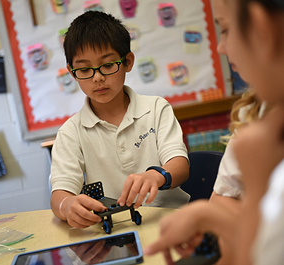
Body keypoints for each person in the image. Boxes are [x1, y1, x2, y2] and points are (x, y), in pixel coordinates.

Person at [144, 0, 284, 264]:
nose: (220, 47)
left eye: (226, 30)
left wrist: (253, 192)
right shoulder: (256, 114)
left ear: (261, 30)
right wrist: (207, 216)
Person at [50, 11, 190, 229]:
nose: (97, 77)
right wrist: (67, 206)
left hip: (173, 221)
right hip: (116, 231)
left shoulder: (155, 109)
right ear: (72, 72)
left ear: (128, 61)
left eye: (107, 65)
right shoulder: (71, 132)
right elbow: (59, 194)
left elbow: (180, 165)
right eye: (85, 69)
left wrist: (156, 176)